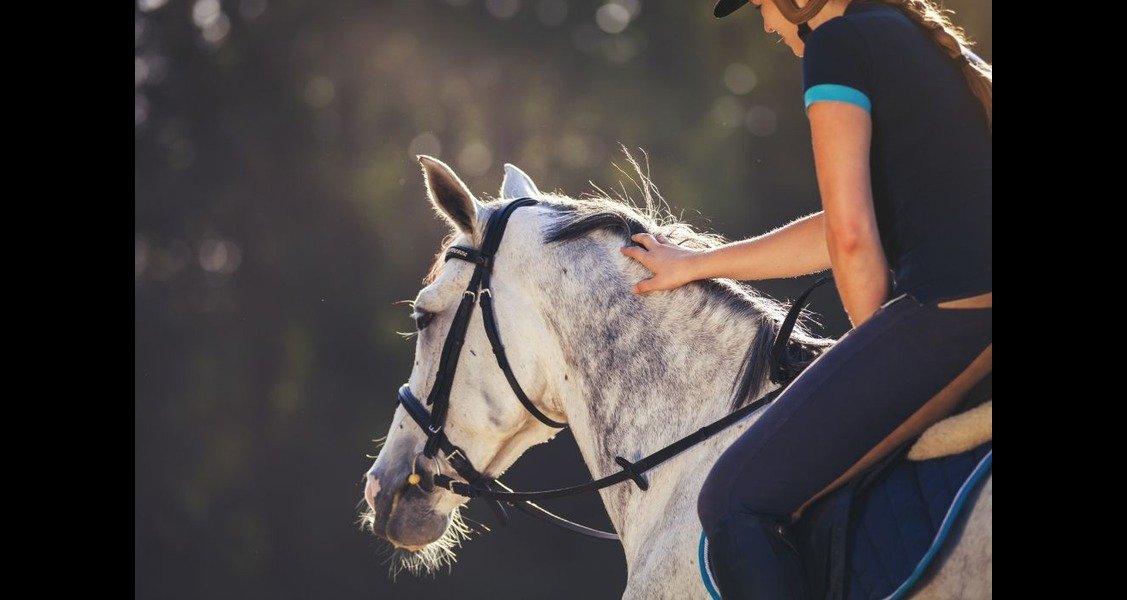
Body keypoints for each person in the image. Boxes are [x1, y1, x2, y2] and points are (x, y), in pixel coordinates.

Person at [618, 0, 992, 597]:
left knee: (733, 501)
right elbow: (838, 225)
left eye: (762, 5)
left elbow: (851, 236)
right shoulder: (910, 37)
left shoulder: (835, 46)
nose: (766, 23)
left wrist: (870, 348)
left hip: (954, 315)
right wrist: (697, 264)